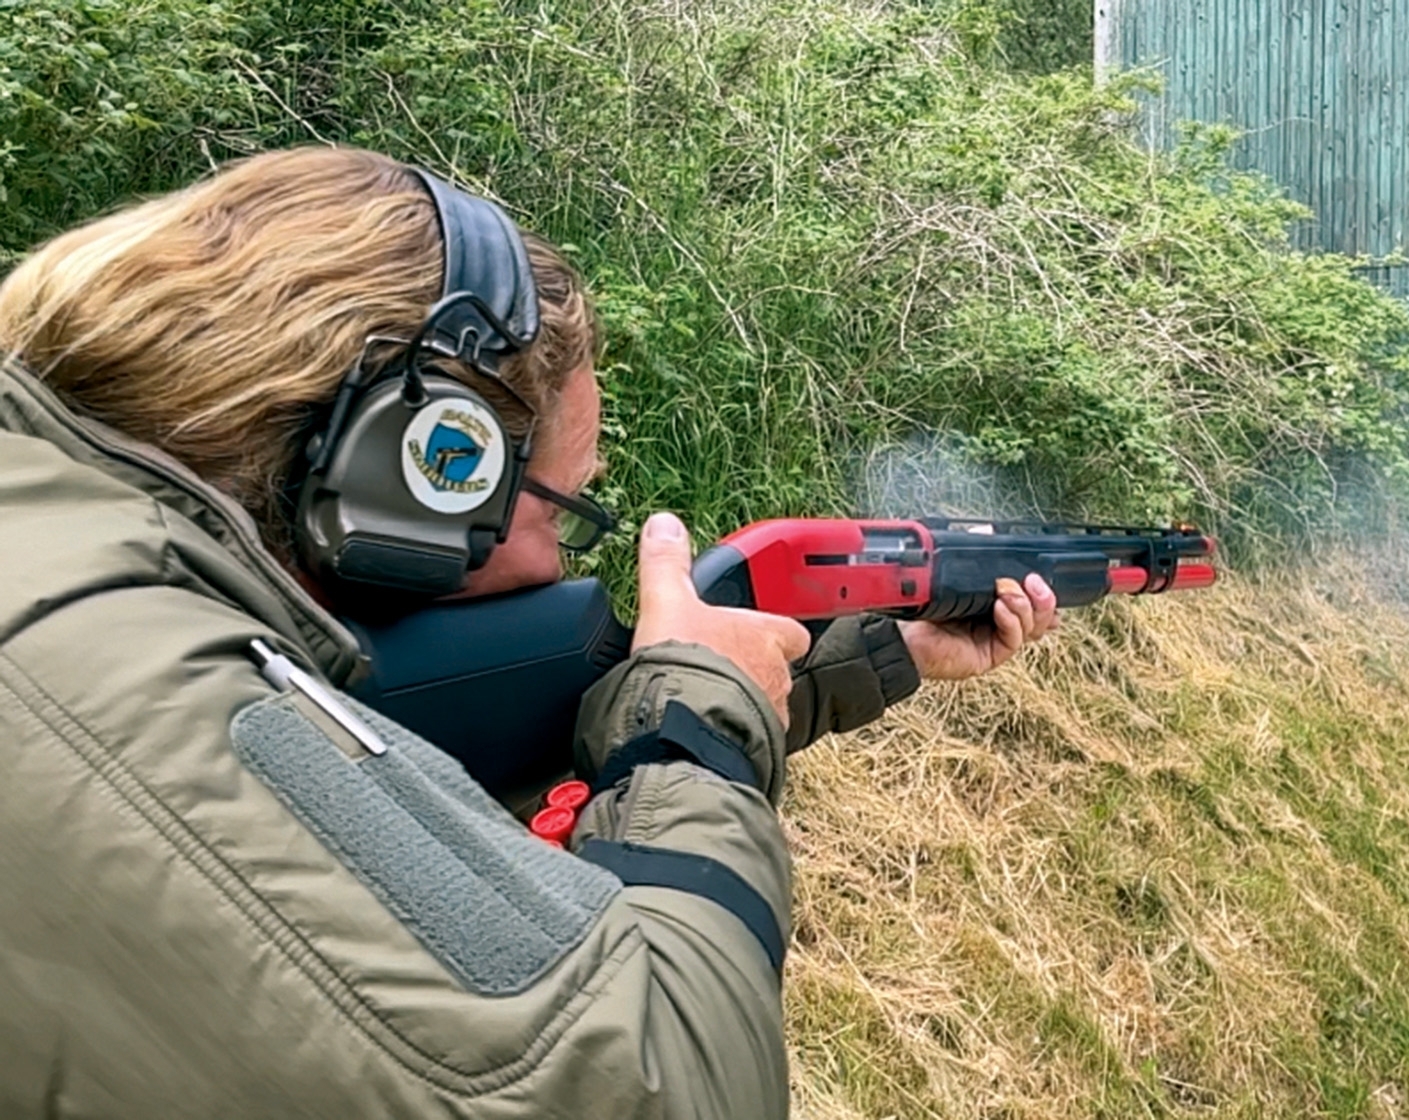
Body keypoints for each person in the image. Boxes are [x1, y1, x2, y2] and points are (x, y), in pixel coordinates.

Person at [0, 145, 1059, 1118]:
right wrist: (692, 723)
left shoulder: (78, 579)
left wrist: (871, 656)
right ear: (404, 476)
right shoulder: (103, 682)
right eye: (560, 508)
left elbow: (388, 804)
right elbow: (668, 1079)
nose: (557, 563)